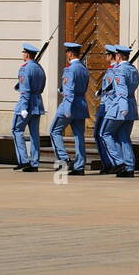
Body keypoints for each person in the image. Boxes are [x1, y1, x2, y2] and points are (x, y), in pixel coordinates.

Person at [50, 42, 89, 175]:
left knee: (54, 131)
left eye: (67, 52)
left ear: (70, 53)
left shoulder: (70, 69)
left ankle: (63, 159)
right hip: (81, 104)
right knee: (79, 136)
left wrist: (66, 108)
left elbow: (69, 91)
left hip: (70, 104)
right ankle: (79, 166)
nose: (66, 54)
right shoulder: (83, 68)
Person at [107, 45, 139, 177]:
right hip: (131, 104)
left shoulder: (120, 70)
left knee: (105, 133)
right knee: (124, 137)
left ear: (119, 56)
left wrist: (122, 107)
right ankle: (129, 167)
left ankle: (119, 162)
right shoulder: (133, 69)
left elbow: (121, 90)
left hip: (121, 106)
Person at [14, 42, 46, 172]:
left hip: (26, 104)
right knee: (34, 135)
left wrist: (23, 107)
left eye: (23, 52)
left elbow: (25, 90)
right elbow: (42, 86)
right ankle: (34, 162)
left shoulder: (25, 68)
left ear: (27, 54)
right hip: (37, 103)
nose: (22, 54)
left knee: (16, 130)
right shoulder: (39, 68)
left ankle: (23, 160)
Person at [94, 45, 119, 173]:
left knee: (100, 134)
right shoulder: (113, 69)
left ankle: (109, 163)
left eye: (107, 54)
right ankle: (111, 163)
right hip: (108, 104)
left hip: (107, 105)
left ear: (111, 56)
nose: (105, 57)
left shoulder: (114, 70)